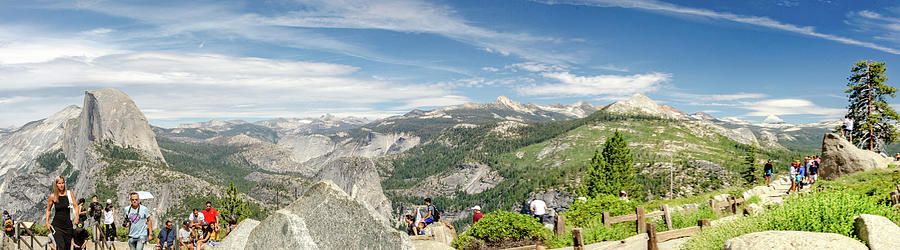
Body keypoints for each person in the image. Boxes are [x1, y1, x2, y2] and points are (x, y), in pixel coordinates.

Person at [45, 176, 78, 250]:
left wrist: (77, 217)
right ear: (56, 184)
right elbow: (48, 210)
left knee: (67, 247)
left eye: (63, 183)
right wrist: (47, 222)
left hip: (68, 226)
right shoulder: (53, 196)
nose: (61, 185)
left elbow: (76, 206)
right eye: (59, 183)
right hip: (57, 226)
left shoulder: (69, 194)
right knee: (61, 247)